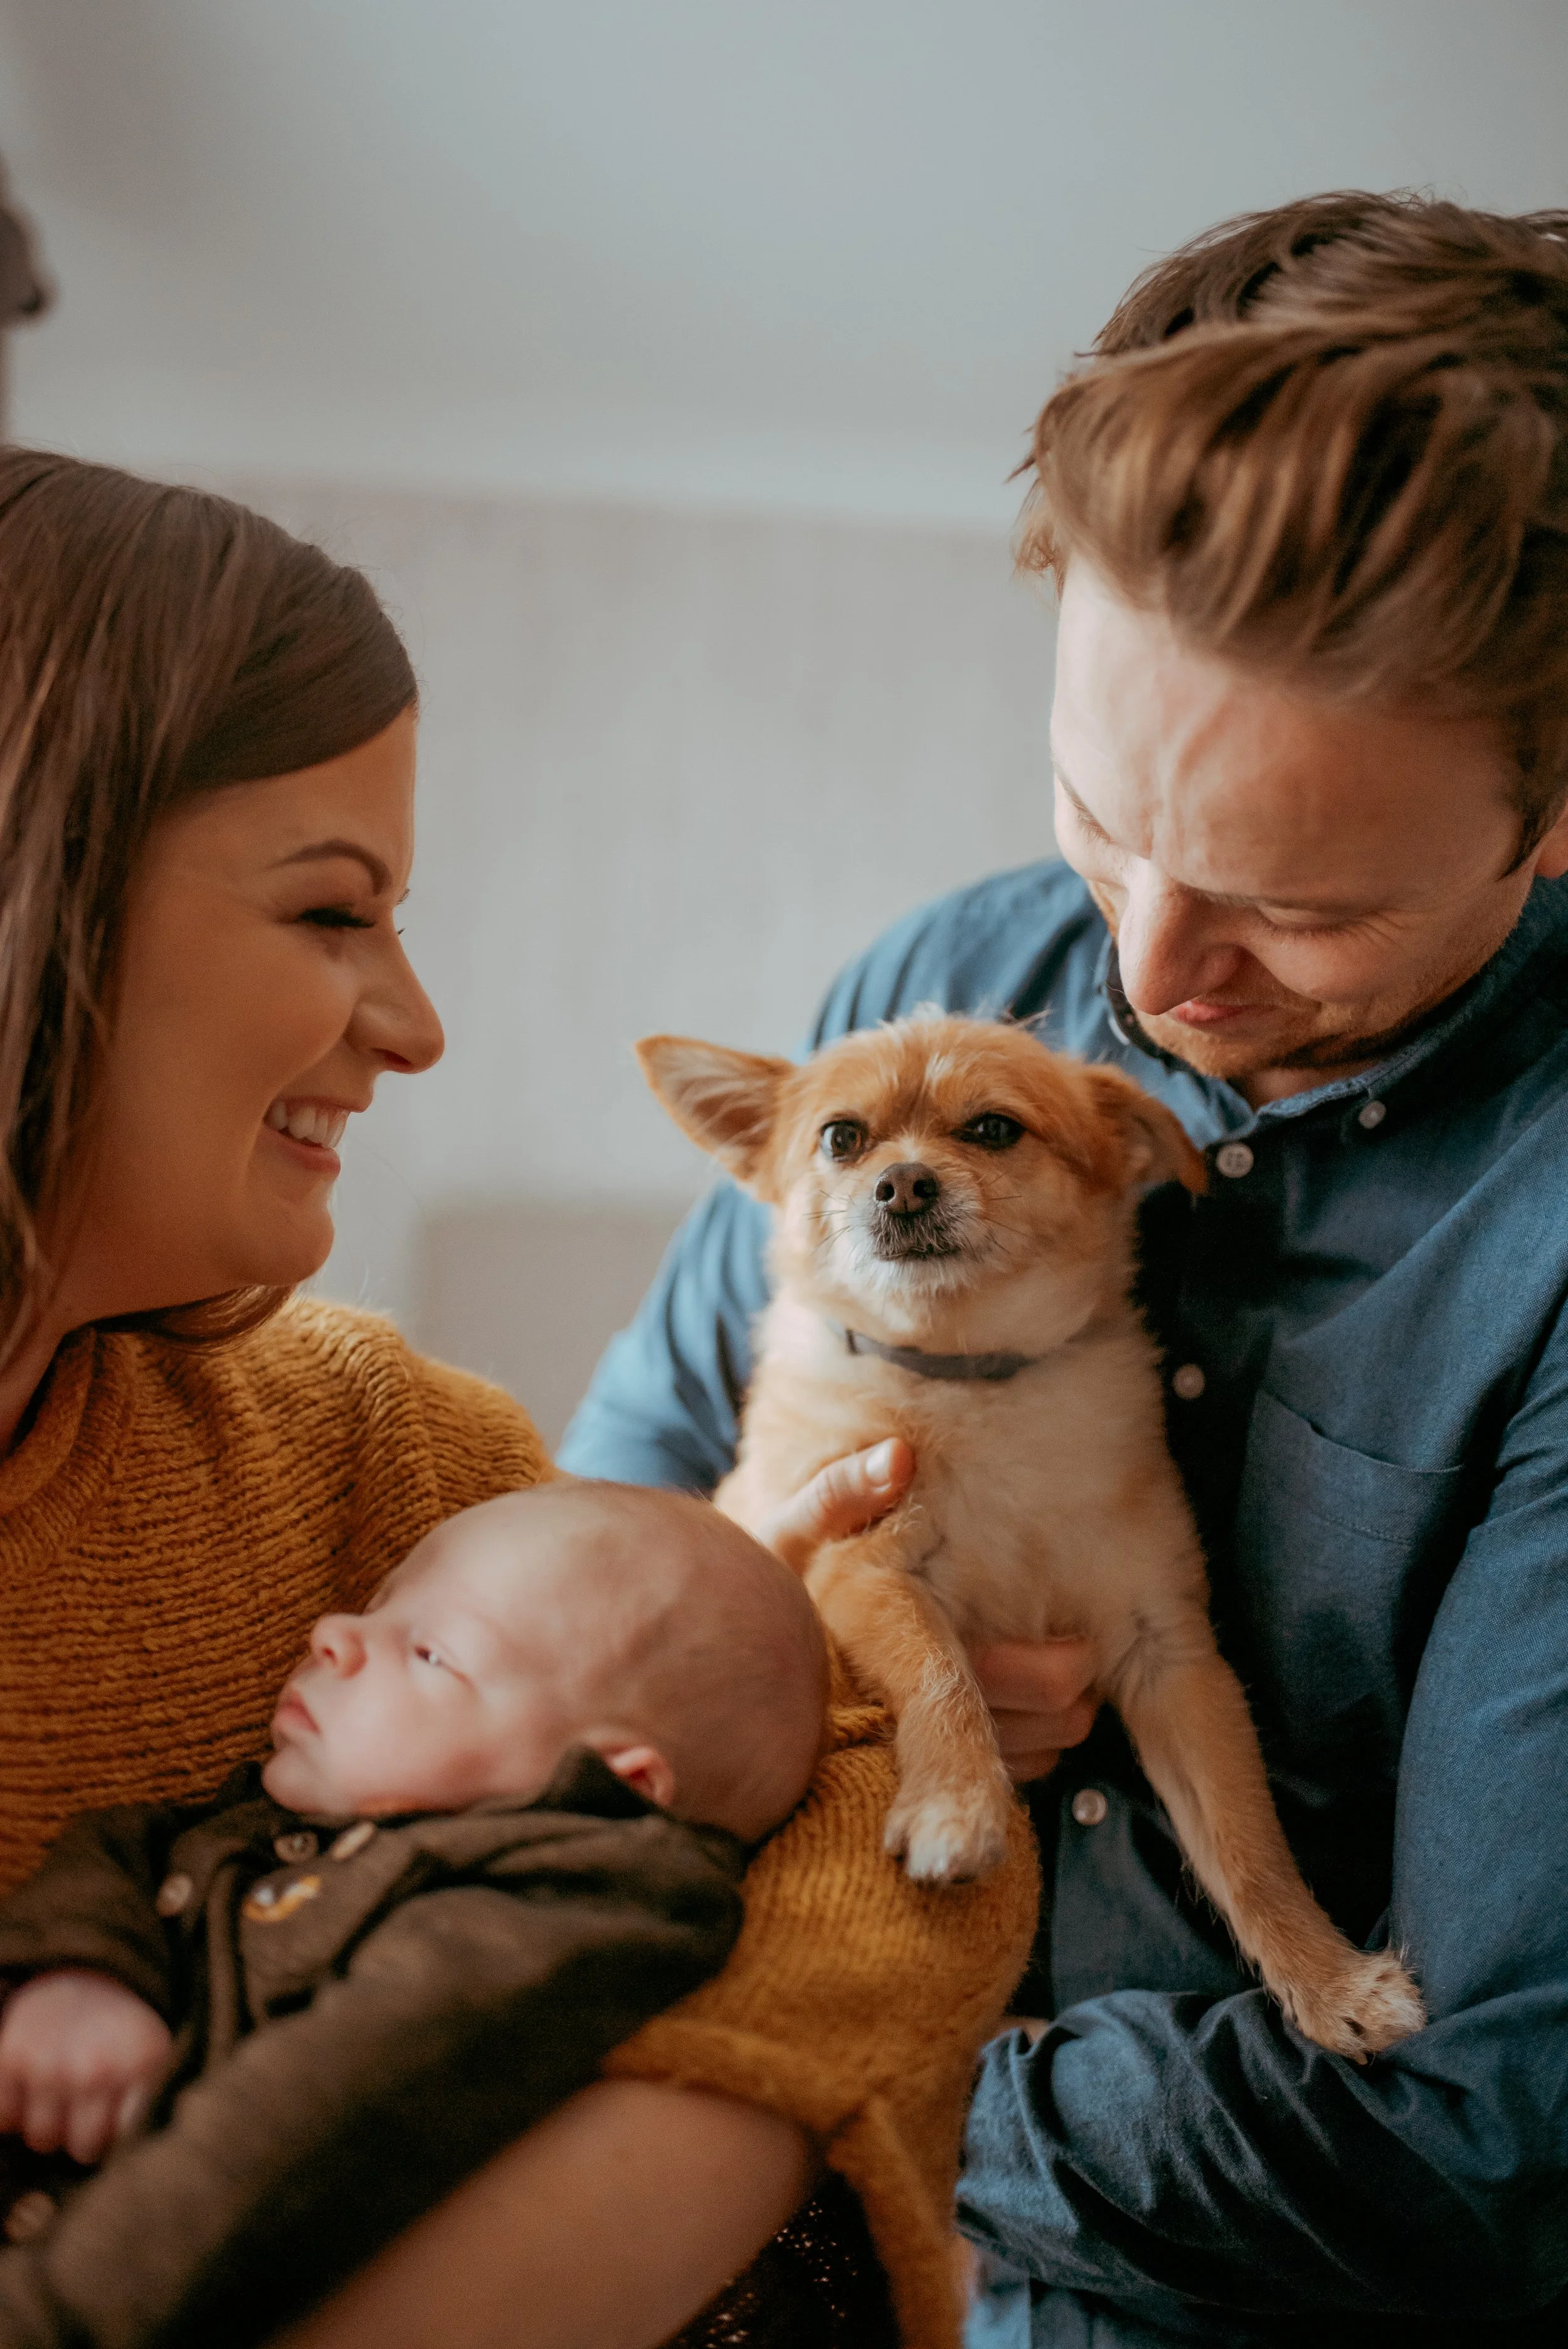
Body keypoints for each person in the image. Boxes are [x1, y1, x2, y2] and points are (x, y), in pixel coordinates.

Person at [561, 191, 1568, 2345]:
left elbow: (1499, 2140)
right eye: (1100, 817)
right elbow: (614, 1521)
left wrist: (847, 2093)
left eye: (1297, 908)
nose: (1149, 970)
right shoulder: (941, 974)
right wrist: (769, 1664)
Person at [0, 444, 1037, 2349]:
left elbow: (889, 1839)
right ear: (35, 900)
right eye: (331, 915)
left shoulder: (378, 1444)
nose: (414, 1024)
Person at [0, 1482, 829, 2348]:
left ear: (609, 1789)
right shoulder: (316, 1812)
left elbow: (310, 2124)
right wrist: (88, 1976)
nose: (334, 1633)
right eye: (377, 1606)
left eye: (432, 1653)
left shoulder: (545, 1913)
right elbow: (129, 1842)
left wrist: (50, 2318)